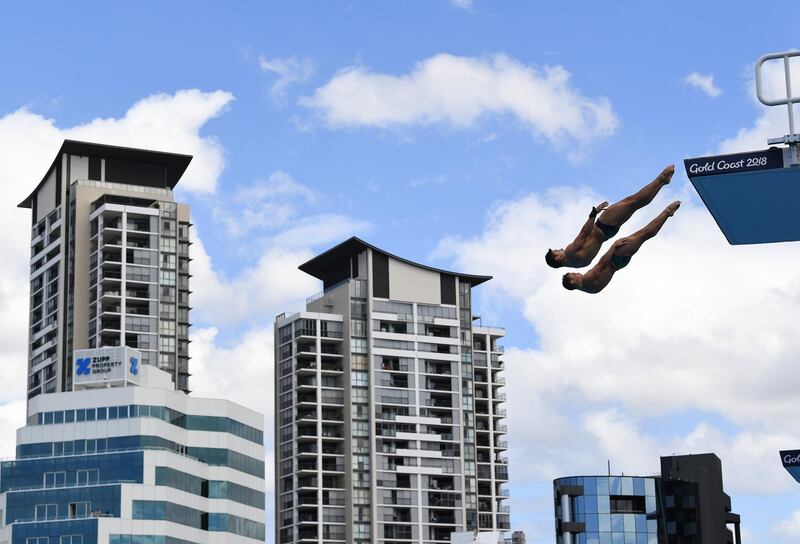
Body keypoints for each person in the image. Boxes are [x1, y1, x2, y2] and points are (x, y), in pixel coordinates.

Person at [545, 165, 675, 268]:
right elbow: (584, 233)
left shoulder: (579, 265)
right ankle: (661, 179)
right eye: (557, 251)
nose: (561, 249)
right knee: (633, 201)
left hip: (608, 234)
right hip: (603, 224)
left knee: (635, 204)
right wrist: (594, 213)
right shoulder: (569, 252)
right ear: (557, 258)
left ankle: (662, 182)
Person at [562, 201, 680, 293]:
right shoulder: (586, 281)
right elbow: (602, 263)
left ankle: (667, 213)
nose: (577, 273)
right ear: (572, 281)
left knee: (643, 235)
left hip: (619, 264)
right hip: (615, 257)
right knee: (643, 234)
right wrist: (613, 246)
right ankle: (667, 212)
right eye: (574, 274)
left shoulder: (590, 290)